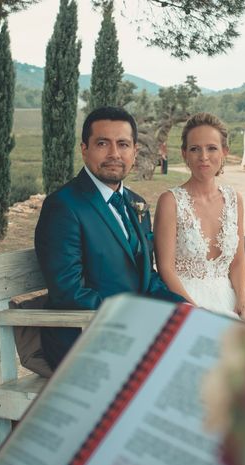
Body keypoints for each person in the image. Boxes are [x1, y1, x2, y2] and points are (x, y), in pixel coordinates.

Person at [34, 106, 186, 370]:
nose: (114, 154)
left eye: (123, 144)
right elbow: (69, 293)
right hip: (83, 336)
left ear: (135, 152)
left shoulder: (136, 203)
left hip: (133, 332)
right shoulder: (63, 206)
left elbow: (147, 280)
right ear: (85, 149)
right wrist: (137, 319)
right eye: (103, 143)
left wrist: (185, 309)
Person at [154, 113, 245, 322]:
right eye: (194, 149)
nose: (203, 157)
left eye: (211, 148)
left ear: (224, 152)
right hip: (186, 299)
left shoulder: (234, 200)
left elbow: (238, 262)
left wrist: (244, 298)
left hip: (230, 297)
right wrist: (193, 310)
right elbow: (165, 268)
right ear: (184, 154)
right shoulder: (170, 202)